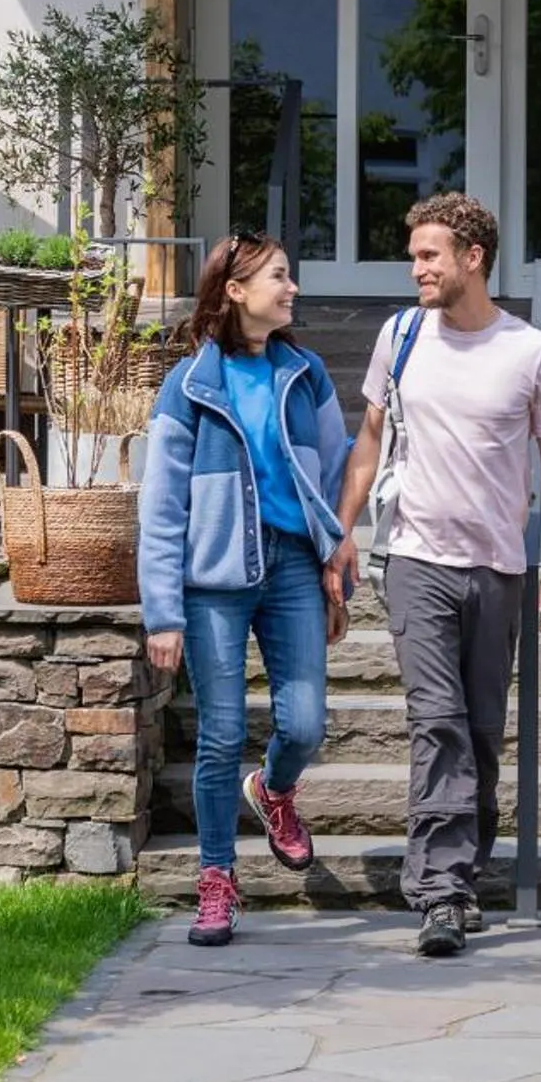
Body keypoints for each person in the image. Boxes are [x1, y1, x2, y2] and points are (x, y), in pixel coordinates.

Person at [330, 193, 541, 958]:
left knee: (479, 731)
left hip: (498, 568)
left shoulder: (531, 351)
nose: (417, 269)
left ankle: (462, 877)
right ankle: (440, 892)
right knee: (437, 722)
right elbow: (370, 440)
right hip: (415, 560)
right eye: (414, 256)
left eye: (429, 255)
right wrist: (342, 531)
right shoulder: (401, 336)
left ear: (473, 258)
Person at [138, 233, 354, 947]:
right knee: (221, 734)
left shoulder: (305, 374)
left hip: (293, 568)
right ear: (235, 291)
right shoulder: (190, 385)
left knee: (306, 724)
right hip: (215, 580)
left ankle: (273, 789)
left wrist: (338, 570)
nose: (292, 289)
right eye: (279, 277)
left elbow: (334, 476)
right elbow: (161, 507)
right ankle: (217, 878)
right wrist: (163, 612)